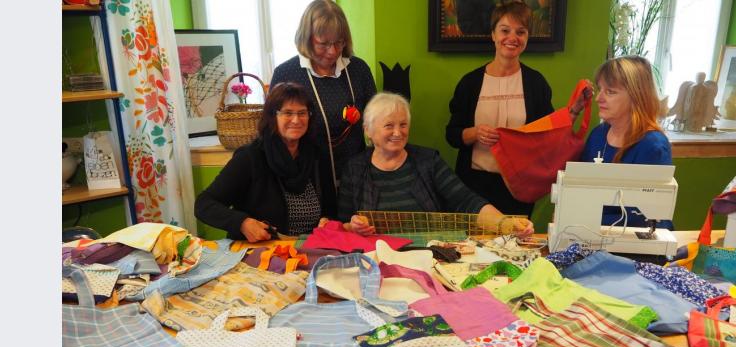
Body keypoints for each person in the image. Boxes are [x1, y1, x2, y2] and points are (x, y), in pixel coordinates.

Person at [445, 1, 586, 217]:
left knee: (516, 246)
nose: (512, 38)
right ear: (493, 35)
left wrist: (574, 112)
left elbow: (547, 135)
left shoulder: (535, 83)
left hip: (519, 186)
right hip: (473, 186)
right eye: (505, 30)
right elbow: (452, 135)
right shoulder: (470, 83)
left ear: (527, 38)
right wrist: (476, 133)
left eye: (521, 32)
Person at [339, 92, 534, 237]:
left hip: (428, 256)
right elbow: (344, 223)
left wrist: (507, 223)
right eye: (389, 125)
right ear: (368, 131)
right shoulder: (355, 168)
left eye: (403, 124)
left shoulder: (428, 161)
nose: (398, 132)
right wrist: (353, 226)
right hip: (374, 259)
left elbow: (466, 201)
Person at [270, 0, 376, 216]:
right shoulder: (286, 73)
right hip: (308, 180)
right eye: (323, 44)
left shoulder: (358, 69)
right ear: (307, 38)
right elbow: (274, 130)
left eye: (339, 42)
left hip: (356, 177)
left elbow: (375, 119)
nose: (333, 51)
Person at [194, 82, 330, 241]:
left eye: (302, 113)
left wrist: (327, 221)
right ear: (273, 116)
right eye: (287, 113)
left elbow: (329, 208)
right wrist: (242, 223)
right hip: (261, 251)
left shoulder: (316, 155)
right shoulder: (250, 157)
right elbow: (203, 204)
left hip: (309, 247)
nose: (296, 120)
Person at [580, 55, 674, 229]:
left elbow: (643, 216)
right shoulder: (598, 135)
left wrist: (579, 218)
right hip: (591, 234)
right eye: (600, 89)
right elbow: (580, 189)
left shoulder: (653, 146)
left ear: (636, 96)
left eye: (610, 92)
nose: (598, 98)